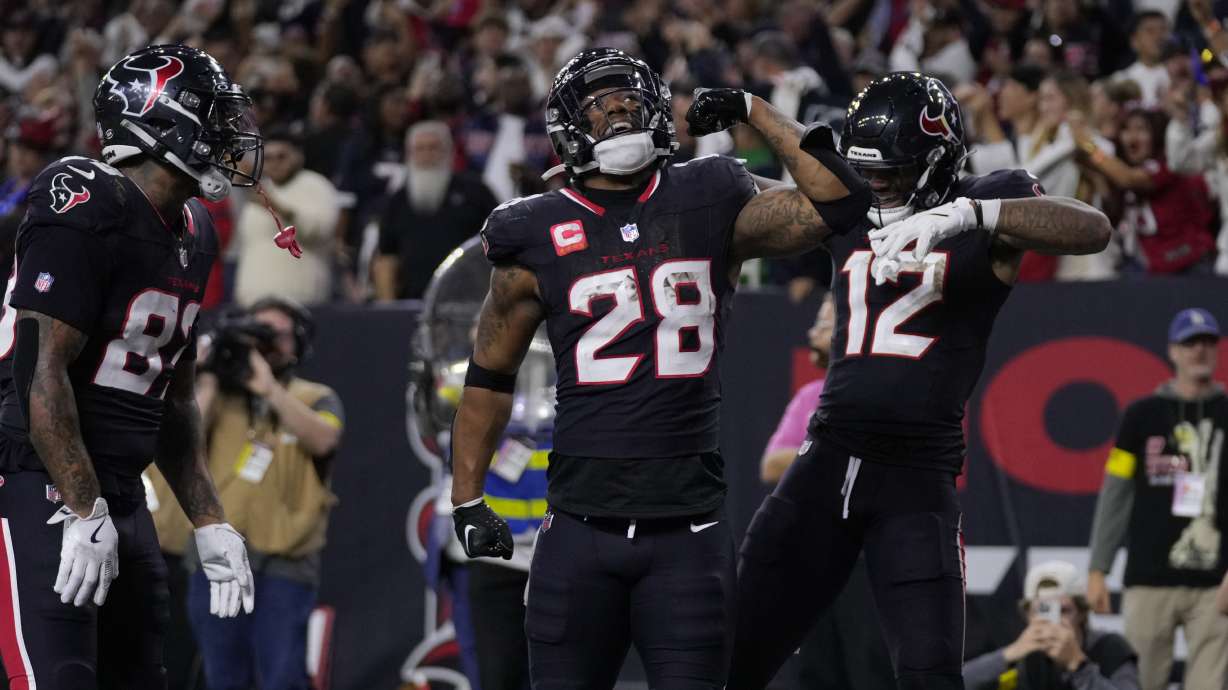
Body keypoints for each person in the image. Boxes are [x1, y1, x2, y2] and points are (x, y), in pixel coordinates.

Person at [449, 47, 871, 690]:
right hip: (578, 528)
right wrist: (468, 498)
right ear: (568, 130)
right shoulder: (533, 231)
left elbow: (841, 204)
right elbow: (488, 378)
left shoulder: (711, 193)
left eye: (628, 101)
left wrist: (756, 110)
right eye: (599, 107)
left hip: (687, 531)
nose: (618, 115)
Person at [727, 72, 1112, 690]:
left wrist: (971, 215)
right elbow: (766, 199)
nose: (876, 185)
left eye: (893, 172)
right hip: (825, 461)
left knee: (931, 677)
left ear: (937, 160)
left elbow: (1091, 228)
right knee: (732, 657)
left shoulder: (988, 200)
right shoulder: (847, 201)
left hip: (916, 477)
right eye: (867, 171)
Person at [0, 43, 260, 687]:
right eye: (212, 117)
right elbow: (41, 371)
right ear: (158, 121)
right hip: (34, 483)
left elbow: (171, 394)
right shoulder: (84, 199)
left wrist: (208, 517)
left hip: (118, 493)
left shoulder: (195, 227)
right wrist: (83, 508)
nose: (229, 134)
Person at [163, 297, 342, 690]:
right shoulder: (217, 395)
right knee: (223, 675)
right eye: (256, 334)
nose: (267, 344)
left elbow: (324, 439)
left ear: (297, 343)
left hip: (286, 559)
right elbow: (181, 437)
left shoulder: (315, 396)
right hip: (219, 557)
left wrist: (269, 389)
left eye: (276, 335)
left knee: (283, 675)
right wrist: (208, 375)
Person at [760, 291, 897, 690]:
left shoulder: (882, 388)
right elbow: (771, 463)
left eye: (822, 320)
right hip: (813, 553)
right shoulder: (810, 396)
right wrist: (833, 449)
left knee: (869, 666)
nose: (811, 330)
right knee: (816, 670)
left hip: (866, 555)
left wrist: (815, 451)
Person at [1086, 308, 1228, 690]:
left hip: (1217, 585)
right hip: (1149, 580)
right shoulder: (1140, 416)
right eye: (1190, 343)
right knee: (1141, 683)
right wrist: (1098, 568)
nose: (1199, 351)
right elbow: (1117, 492)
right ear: (1173, 351)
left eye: (1207, 343)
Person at [963, 561, 1139, 690]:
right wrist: (1009, 655)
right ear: (1028, 615)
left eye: (1063, 611)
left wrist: (1078, 665)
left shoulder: (1109, 648)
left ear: (1082, 613)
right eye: (1043, 611)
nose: (1053, 622)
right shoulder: (1022, 652)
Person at [373, 120, 498, 301]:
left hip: (469, 304)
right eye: (420, 149)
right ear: (409, 155)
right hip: (412, 302)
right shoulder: (397, 201)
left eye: (433, 148)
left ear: (448, 151)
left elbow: (499, 245)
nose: (426, 155)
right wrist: (388, 307)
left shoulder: (476, 192)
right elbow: (386, 258)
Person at [233, 126, 340, 307]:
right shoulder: (260, 190)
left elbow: (319, 230)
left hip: (300, 302)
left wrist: (277, 206)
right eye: (268, 158)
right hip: (253, 302)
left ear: (299, 156)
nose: (274, 163)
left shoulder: (315, 185)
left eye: (282, 156)